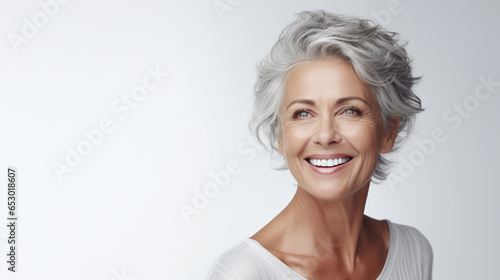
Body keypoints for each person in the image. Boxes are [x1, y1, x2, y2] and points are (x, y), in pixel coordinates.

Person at [207, 10, 433, 280]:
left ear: (388, 131)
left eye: (350, 110)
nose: (325, 135)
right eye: (303, 113)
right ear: (280, 135)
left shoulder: (413, 249)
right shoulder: (243, 273)